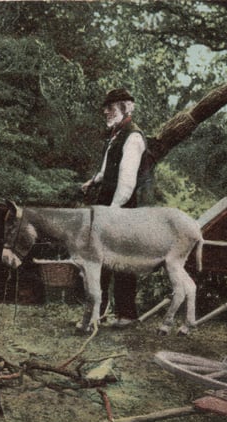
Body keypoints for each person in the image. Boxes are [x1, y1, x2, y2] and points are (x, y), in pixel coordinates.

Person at [81, 88, 152, 327]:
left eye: (110, 107)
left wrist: (113, 210)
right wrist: (93, 181)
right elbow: (106, 168)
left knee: (122, 260)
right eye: (106, 107)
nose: (105, 111)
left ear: (125, 107)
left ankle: (127, 315)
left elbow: (127, 180)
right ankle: (98, 313)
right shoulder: (115, 134)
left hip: (122, 207)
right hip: (108, 203)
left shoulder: (133, 137)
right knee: (100, 258)